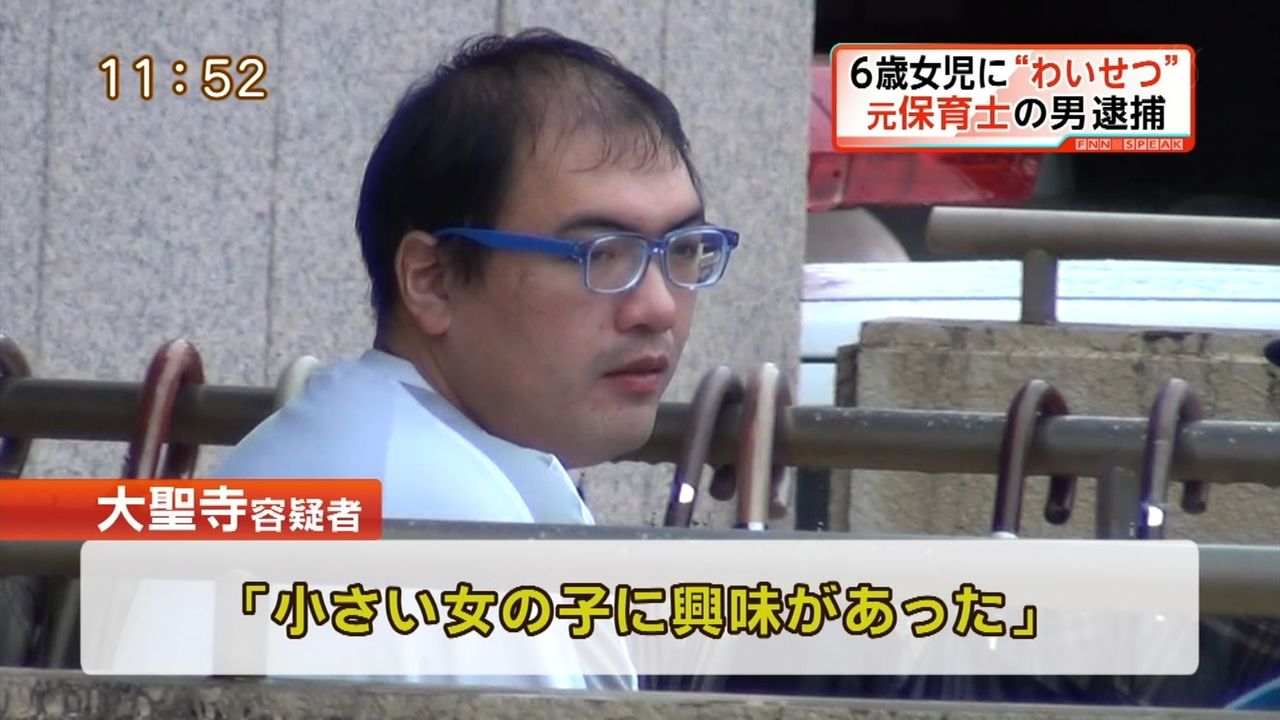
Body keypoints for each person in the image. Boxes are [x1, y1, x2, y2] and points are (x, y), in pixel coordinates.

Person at [207, 29, 738, 689]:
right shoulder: (432, 526)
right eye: (601, 255)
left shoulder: (400, 445)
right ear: (432, 280)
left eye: (684, 248)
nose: (657, 307)